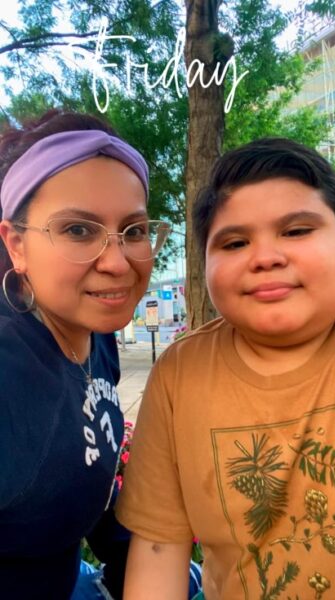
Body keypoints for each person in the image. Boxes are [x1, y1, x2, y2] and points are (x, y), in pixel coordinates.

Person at [116, 137, 335, 600]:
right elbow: (159, 546)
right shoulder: (180, 373)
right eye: (235, 242)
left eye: (296, 231)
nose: (265, 257)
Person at [0, 109, 170, 600]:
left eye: (134, 230)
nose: (117, 262)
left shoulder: (95, 336)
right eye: (78, 230)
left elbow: (84, 455)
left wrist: (127, 553)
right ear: (16, 245)